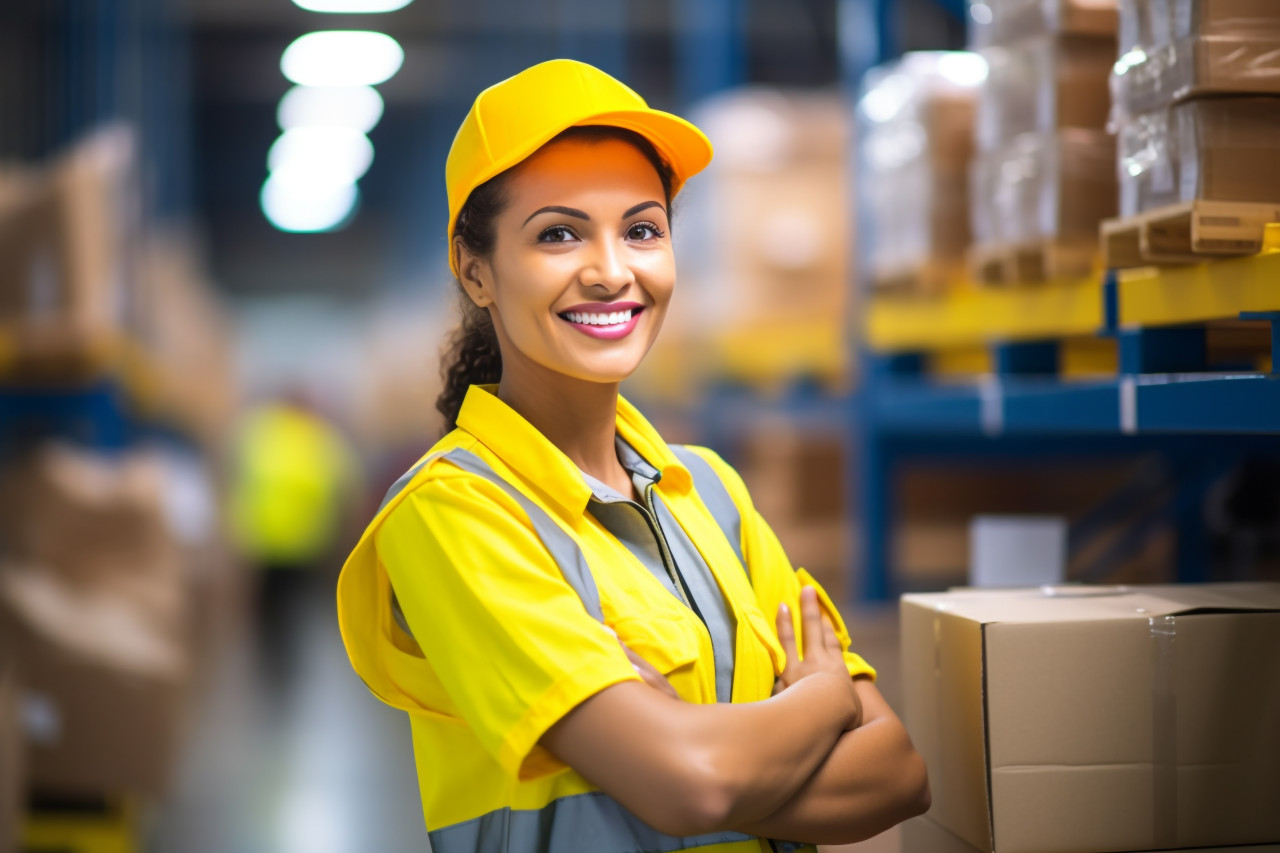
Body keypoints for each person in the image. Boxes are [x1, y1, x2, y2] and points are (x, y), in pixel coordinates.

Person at [336, 59, 930, 852]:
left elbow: (897, 774)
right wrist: (821, 698)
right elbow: (694, 782)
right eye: (558, 233)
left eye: (642, 229)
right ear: (475, 269)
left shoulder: (710, 492)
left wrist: (689, 752)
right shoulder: (453, 514)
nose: (613, 272)